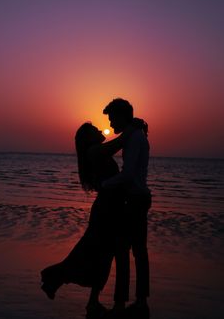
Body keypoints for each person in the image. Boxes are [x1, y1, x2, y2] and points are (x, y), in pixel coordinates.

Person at [40, 121, 143, 318]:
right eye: (95, 130)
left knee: (99, 256)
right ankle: (55, 277)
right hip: (106, 211)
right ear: (89, 137)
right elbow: (120, 142)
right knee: (93, 253)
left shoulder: (96, 152)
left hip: (110, 209)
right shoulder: (94, 151)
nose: (99, 130)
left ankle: (87, 298)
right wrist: (132, 127)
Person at [102, 98, 151, 318]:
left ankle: (122, 304)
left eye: (113, 119)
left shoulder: (134, 139)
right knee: (139, 251)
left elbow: (128, 174)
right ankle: (140, 302)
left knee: (122, 251)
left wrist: (104, 184)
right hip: (139, 198)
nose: (111, 125)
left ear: (123, 116)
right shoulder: (136, 135)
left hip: (135, 200)